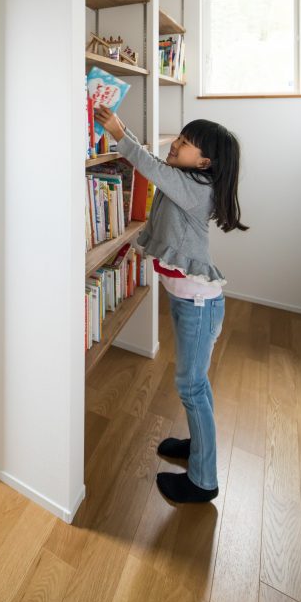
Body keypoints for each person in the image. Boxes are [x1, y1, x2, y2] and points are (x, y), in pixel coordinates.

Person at [94, 106, 249, 504]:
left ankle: (203, 481)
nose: (176, 144)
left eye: (185, 142)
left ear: (205, 162)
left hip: (199, 305)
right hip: (188, 303)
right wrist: (123, 129)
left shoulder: (195, 189)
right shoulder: (185, 178)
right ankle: (198, 447)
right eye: (178, 137)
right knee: (196, 384)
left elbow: (149, 166)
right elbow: (155, 164)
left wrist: (118, 132)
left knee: (191, 386)